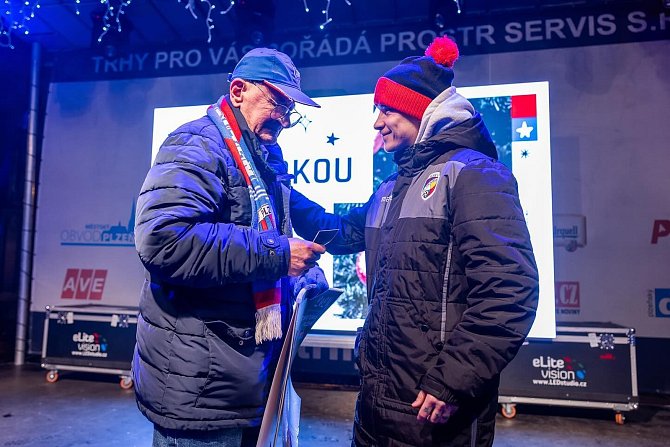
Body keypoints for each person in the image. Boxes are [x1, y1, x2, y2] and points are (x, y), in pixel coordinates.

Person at [290, 36, 539, 446]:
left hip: (436, 412)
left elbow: (509, 292)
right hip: (375, 406)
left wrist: (452, 381)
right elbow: (335, 231)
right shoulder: (391, 188)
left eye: (386, 109)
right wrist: (283, 188)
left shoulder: (474, 175)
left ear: (421, 111)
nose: (376, 122)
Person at [132, 48, 328, 447]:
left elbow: (296, 225)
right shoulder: (197, 143)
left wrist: (303, 272)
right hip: (199, 390)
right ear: (238, 90)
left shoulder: (262, 156)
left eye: (291, 110)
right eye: (277, 102)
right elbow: (163, 238)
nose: (285, 120)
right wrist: (277, 255)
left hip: (240, 382)